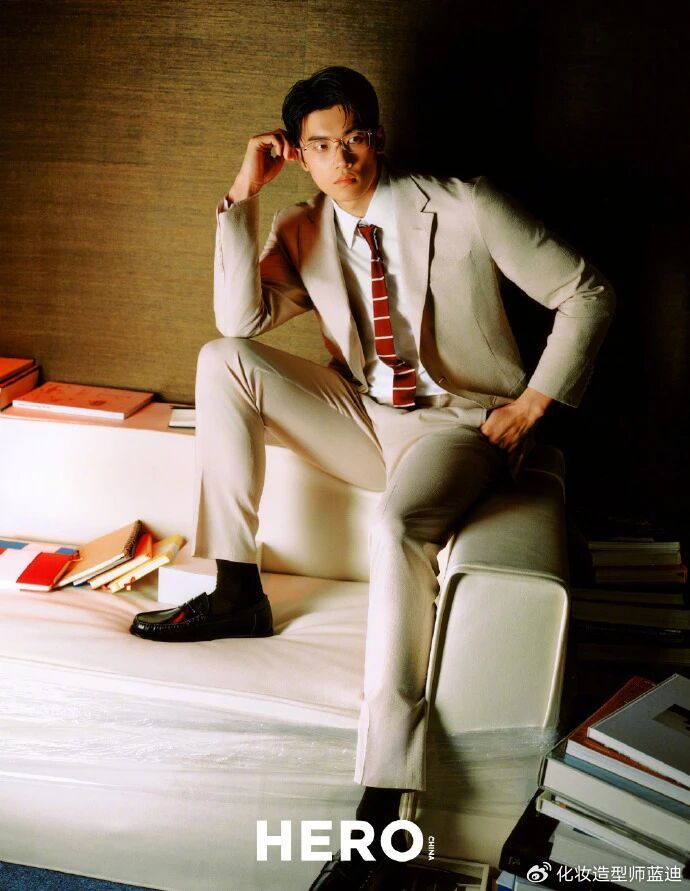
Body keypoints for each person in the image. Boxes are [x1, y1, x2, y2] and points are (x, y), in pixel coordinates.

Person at [130, 67, 615, 889]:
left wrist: (532, 405)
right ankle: (237, 588)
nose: (342, 159)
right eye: (321, 146)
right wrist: (243, 194)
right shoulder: (303, 227)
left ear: (377, 138)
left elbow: (589, 292)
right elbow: (241, 320)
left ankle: (385, 799)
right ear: (299, 154)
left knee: (398, 525)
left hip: (457, 424)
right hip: (364, 416)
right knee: (223, 359)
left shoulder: (464, 205)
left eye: (353, 139)